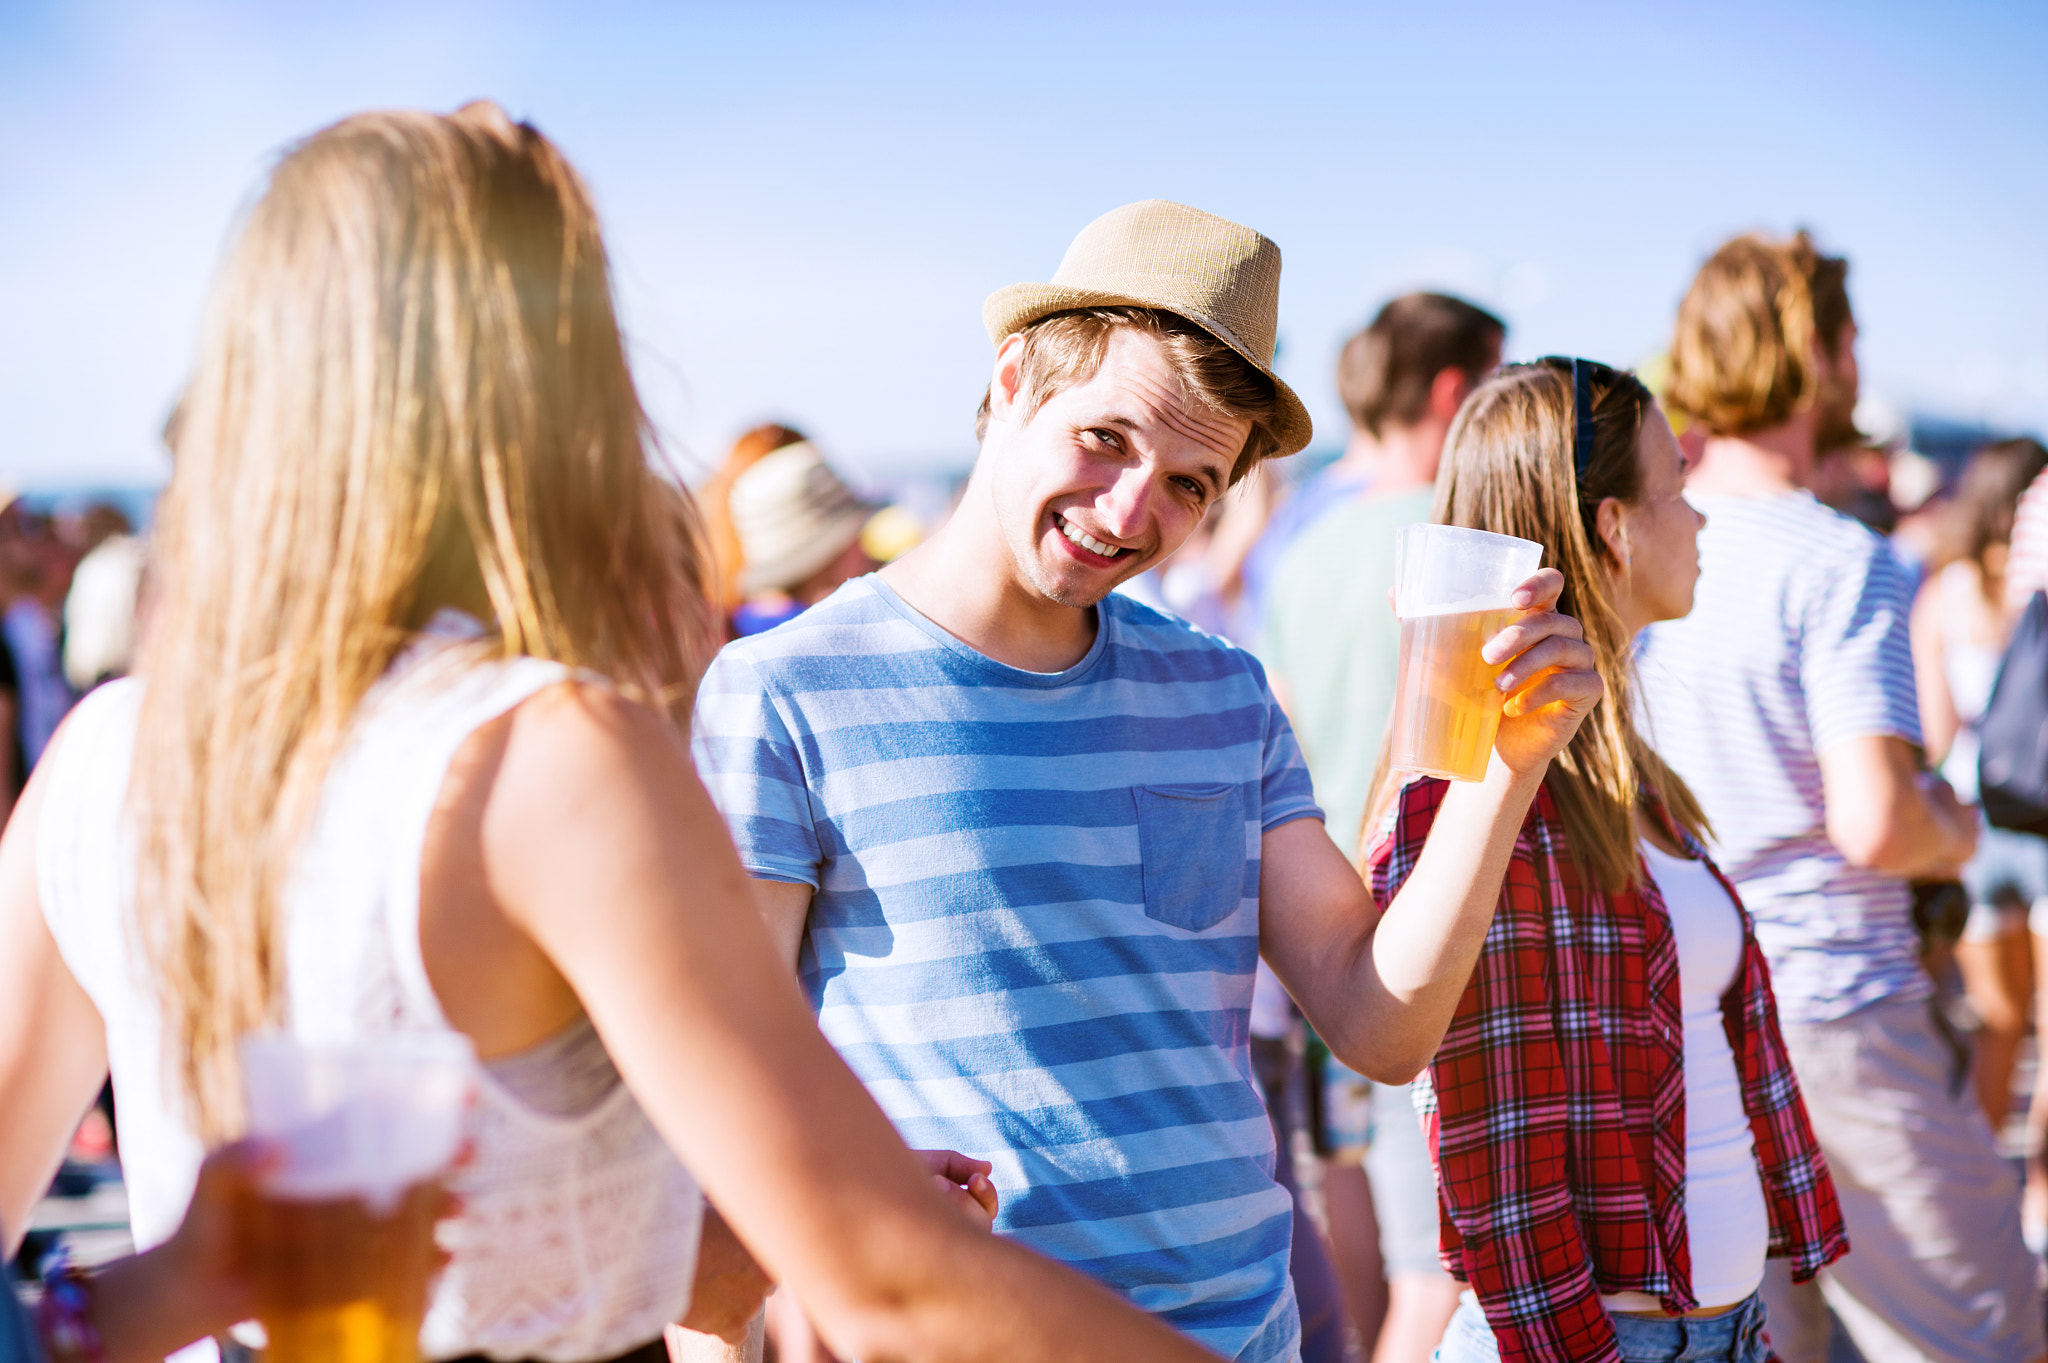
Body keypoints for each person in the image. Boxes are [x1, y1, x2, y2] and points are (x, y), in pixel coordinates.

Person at [0, 103, 1252, 1363]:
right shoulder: (544, 755)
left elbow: (582, 1221)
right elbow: (891, 1285)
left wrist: (150, 1295)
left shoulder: (104, 758)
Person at [692, 197, 1604, 1361]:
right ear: (1014, 380)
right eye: (1107, 439)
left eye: (1188, 483)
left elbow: (1378, 1024)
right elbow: (721, 1093)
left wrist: (1503, 771)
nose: (1131, 512)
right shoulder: (781, 689)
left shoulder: (1223, 693)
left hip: (1241, 1332)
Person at [1366, 357, 1848, 1363]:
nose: (1702, 517)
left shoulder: (1624, 769)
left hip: (1714, 1332)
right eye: (1678, 486)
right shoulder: (1481, 788)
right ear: (1613, 527)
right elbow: (1495, 1163)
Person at [1639, 230, 2042, 1363]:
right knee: (1985, 1330)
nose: (1860, 359)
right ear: (1811, 349)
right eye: (1847, 333)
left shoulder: (1650, 539)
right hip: (1837, 1005)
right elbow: (1873, 817)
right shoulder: (1834, 557)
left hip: (1693, 1015)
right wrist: (1958, 823)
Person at [1258, 292, 1502, 1363]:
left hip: (1321, 910)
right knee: (1433, 1281)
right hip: (1428, 931)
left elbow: (1284, 725)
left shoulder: (1299, 540)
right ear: (1452, 392)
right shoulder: (1464, 549)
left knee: (1357, 1234)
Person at [1911, 438, 2048, 1132]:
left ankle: (1993, 1177)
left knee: (1997, 1020)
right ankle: (2040, 1204)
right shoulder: (2041, 588)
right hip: (2045, 823)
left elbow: (1932, 737)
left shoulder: (1944, 591)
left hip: (1974, 830)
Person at [725, 441, 878, 637]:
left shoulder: (737, 630)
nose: (864, 547)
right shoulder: (842, 633)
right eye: (858, 531)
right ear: (835, 551)